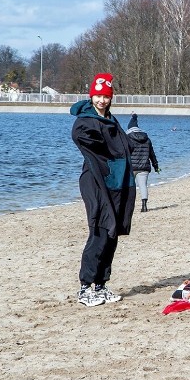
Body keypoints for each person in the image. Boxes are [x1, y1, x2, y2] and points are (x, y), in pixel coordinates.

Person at [70, 73, 136, 307]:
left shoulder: (110, 119)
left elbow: (122, 145)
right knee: (99, 231)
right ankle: (85, 288)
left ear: (111, 97)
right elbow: (80, 136)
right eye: (97, 95)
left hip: (116, 183)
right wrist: (105, 145)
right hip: (96, 183)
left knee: (112, 233)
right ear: (91, 95)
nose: (101, 100)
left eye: (105, 96)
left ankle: (101, 285)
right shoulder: (86, 120)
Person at [126, 113, 159, 213]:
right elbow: (151, 154)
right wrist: (156, 166)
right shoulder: (147, 139)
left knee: (129, 187)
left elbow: (123, 153)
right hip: (144, 166)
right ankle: (144, 206)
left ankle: (128, 207)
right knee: (143, 186)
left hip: (131, 167)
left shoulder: (127, 138)